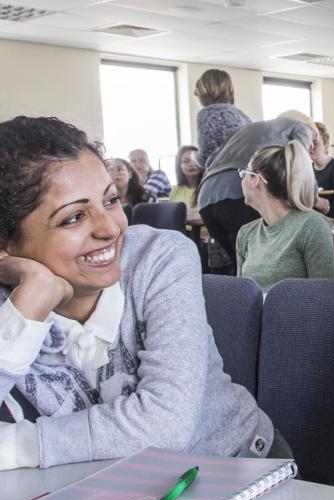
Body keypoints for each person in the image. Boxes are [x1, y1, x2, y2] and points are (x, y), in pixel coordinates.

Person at [0, 116, 287, 471]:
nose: (109, 228)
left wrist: (19, 446)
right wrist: (24, 312)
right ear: (6, 245)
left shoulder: (158, 257)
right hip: (103, 490)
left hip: (234, 465)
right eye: (73, 218)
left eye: (110, 200)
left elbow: (166, 426)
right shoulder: (11, 303)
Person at [197, 110, 315, 271]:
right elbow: (301, 167)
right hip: (237, 192)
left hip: (206, 197)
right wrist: (314, 199)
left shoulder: (249, 130)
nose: (312, 146)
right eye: (313, 139)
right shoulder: (299, 127)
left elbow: (208, 160)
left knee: (241, 265)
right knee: (258, 266)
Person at [236, 141, 334, 294]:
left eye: (244, 174)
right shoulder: (245, 233)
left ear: (256, 179)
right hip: (255, 317)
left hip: (297, 317)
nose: (242, 181)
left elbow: (322, 298)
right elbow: (241, 298)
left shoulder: (311, 227)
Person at [194, 68, 251, 167]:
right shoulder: (241, 115)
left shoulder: (206, 114)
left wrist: (194, 157)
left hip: (225, 174)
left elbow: (207, 158)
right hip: (246, 172)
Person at [170, 145, 202, 215]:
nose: (191, 164)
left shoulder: (208, 188)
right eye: (186, 161)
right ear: (179, 165)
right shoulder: (175, 191)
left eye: (195, 160)